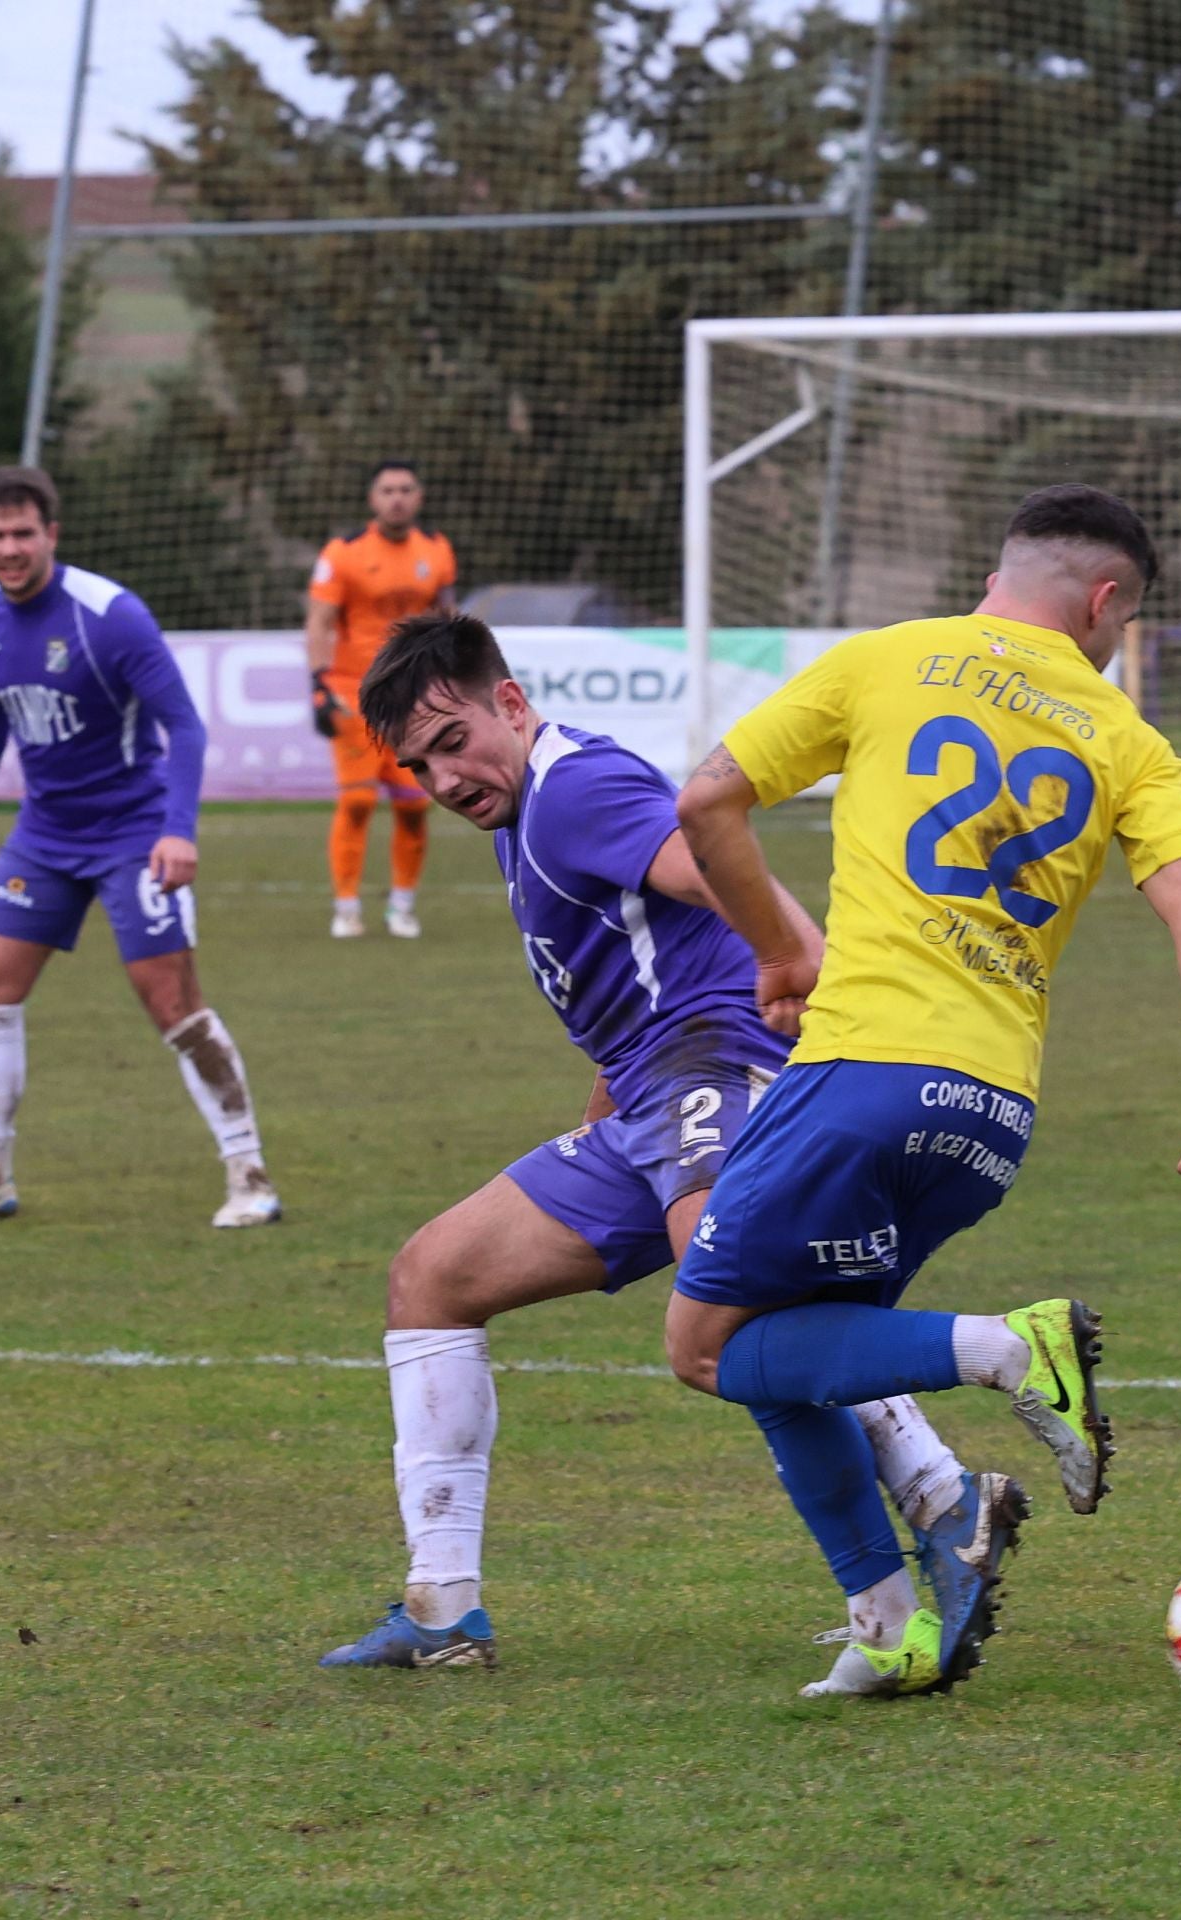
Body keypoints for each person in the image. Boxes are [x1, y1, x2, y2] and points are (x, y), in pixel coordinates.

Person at [315, 611, 1026, 1689]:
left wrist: (806, 965)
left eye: (452, 740)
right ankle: (443, 1608)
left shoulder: (574, 789)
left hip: (711, 1068)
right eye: (419, 765)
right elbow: (633, 958)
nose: (442, 778)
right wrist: (604, 1093)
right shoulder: (527, 811)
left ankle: (945, 1496)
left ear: (509, 702)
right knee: (431, 1279)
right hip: (644, 1103)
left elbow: (708, 860)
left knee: (737, 1313)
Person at [664, 484, 1181, 1696]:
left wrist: (781, 955)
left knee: (701, 1344)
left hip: (860, 1070)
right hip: (991, 1115)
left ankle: (1011, 1348)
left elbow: (704, 801)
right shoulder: (1126, 735)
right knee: (798, 1346)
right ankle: (889, 1622)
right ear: (1105, 604)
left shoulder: (889, 661)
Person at [0, 465, 280, 1232]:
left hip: (134, 836)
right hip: (42, 836)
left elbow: (187, 726)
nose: (10, 549)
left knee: (171, 1003)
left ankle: (250, 1175)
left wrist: (178, 830)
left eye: (23, 534)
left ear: (52, 535)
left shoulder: (109, 616)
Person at [305, 460, 457, 940]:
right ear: (373, 499)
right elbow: (320, 621)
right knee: (357, 803)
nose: (397, 498)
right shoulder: (343, 552)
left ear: (420, 496)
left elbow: (447, 619)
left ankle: (402, 906)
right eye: (388, 490)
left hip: (416, 696)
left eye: (406, 489)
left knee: (414, 805)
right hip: (355, 694)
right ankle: (346, 907)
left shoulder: (436, 550)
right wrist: (317, 685)